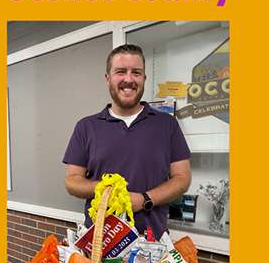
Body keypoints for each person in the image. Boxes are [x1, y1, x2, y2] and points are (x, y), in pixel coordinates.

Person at [63, 44, 192, 240]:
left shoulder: (167, 124)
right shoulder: (85, 127)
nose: (129, 79)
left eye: (136, 73)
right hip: (99, 244)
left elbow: (182, 178)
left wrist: (144, 200)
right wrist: (107, 191)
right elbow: (72, 181)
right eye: (121, 72)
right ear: (108, 78)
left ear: (144, 79)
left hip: (152, 243)